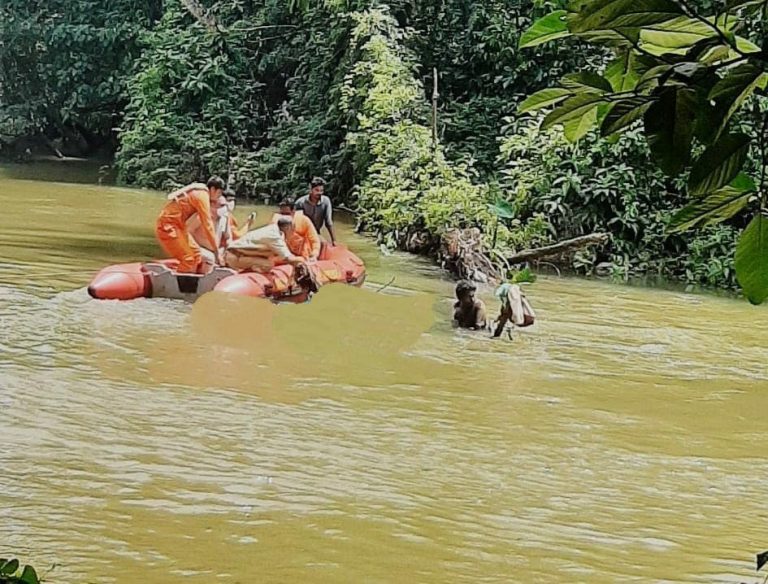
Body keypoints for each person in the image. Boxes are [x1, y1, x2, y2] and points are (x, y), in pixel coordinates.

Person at [155, 177, 225, 273]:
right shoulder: (202, 196)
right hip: (168, 226)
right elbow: (208, 225)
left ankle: (190, 281)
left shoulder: (200, 194)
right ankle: (180, 285)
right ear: (213, 189)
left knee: (196, 255)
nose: (219, 197)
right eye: (219, 193)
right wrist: (217, 253)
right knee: (189, 259)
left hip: (179, 227)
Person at [224, 217, 305, 273]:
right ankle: (244, 275)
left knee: (268, 261)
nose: (293, 233)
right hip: (235, 257)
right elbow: (288, 258)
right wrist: (304, 260)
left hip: (233, 254)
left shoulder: (272, 229)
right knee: (267, 264)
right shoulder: (274, 237)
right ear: (288, 228)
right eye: (293, 230)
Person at [294, 177, 337, 246]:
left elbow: (328, 222)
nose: (319, 193)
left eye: (321, 190)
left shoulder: (326, 201)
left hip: (316, 232)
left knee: (324, 244)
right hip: (302, 234)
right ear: (310, 190)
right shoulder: (300, 202)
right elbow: (297, 223)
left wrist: (334, 240)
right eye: (317, 190)